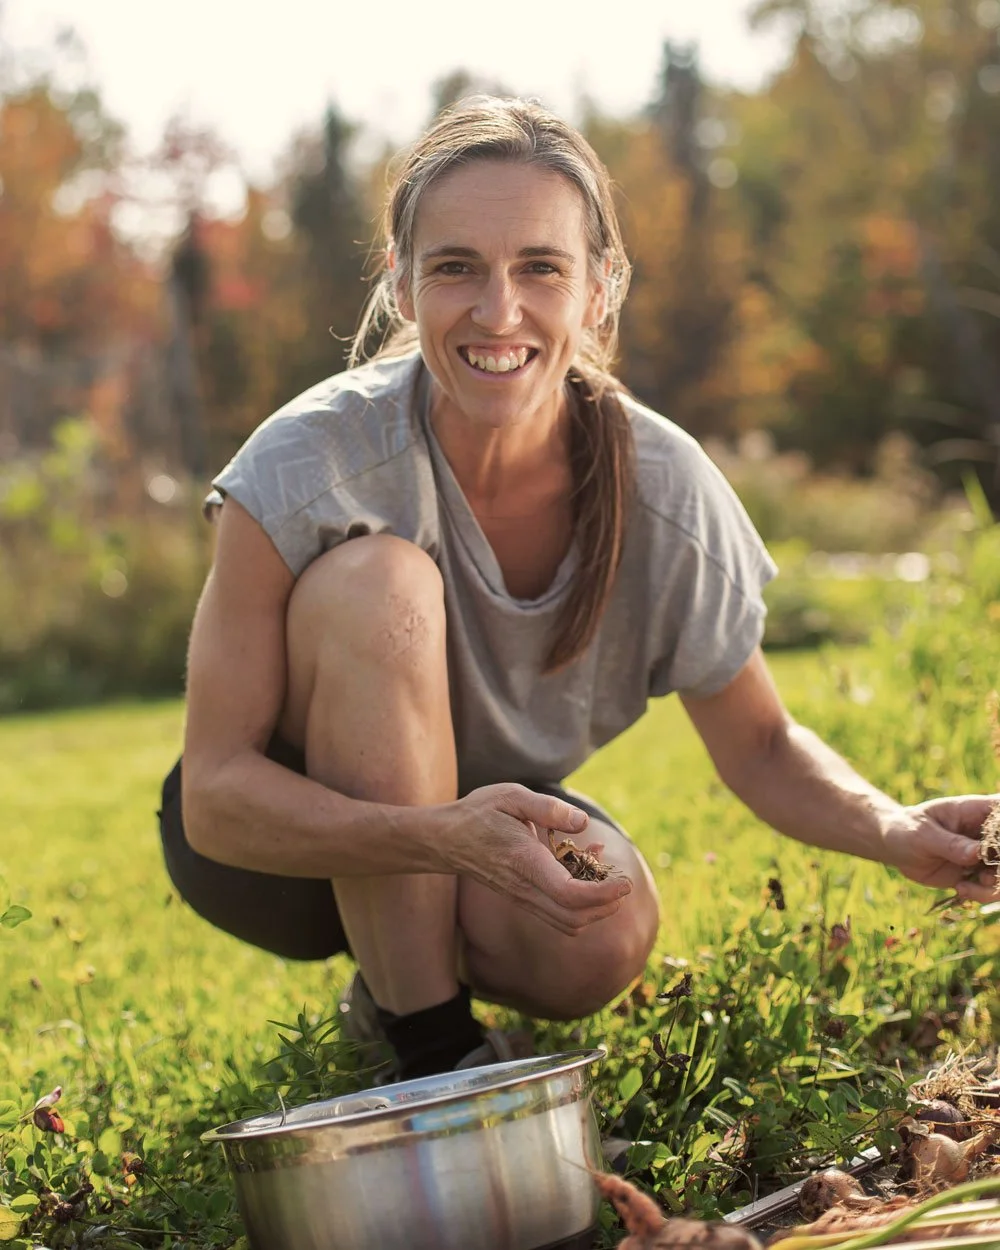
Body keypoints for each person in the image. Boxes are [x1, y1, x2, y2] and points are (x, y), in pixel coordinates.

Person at [158, 96, 998, 1084]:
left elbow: (762, 743)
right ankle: (433, 1052)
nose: (497, 310)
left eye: (540, 268)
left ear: (601, 288)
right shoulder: (309, 465)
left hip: (480, 832)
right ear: (400, 283)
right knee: (380, 579)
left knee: (605, 927)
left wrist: (893, 825)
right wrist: (438, 837)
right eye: (455, 266)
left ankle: (385, 994)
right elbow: (215, 798)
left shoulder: (664, 493)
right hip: (280, 857)